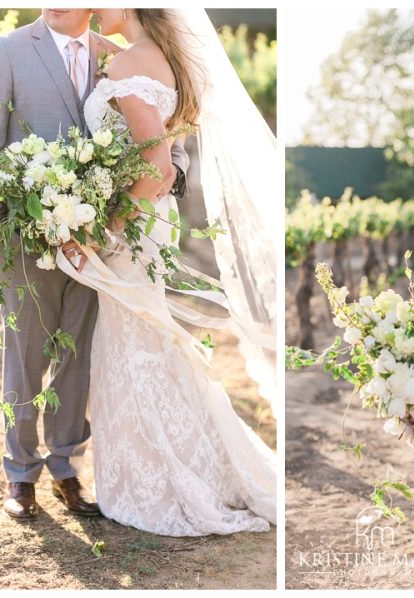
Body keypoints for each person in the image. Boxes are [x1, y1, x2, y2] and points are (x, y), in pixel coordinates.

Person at [56, 8, 277, 536]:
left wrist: (101, 230)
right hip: (151, 221)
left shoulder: (131, 62)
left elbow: (157, 166)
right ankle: (173, 462)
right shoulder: (160, 56)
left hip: (131, 227)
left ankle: (157, 478)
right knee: (145, 336)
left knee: (132, 341)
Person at [0, 8, 190, 520]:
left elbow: (166, 135)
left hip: (101, 245)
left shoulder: (118, 57)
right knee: (24, 357)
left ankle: (67, 466)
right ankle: (19, 475)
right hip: (28, 239)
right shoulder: (7, 52)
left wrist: (164, 179)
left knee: (78, 358)